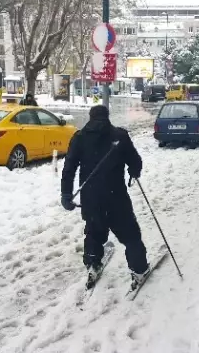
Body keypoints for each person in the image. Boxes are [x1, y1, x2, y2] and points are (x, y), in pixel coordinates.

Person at [60, 105, 150, 288]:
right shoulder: (120, 136)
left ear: (90, 117)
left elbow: (68, 168)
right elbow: (135, 161)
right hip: (116, 197)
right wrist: (134, 171)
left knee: (94, 232)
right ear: (107, 117)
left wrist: (66, 194)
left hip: (91, 199)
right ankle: (139, 270)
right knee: (130, 234)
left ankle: (93, 264)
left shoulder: (79, 137)